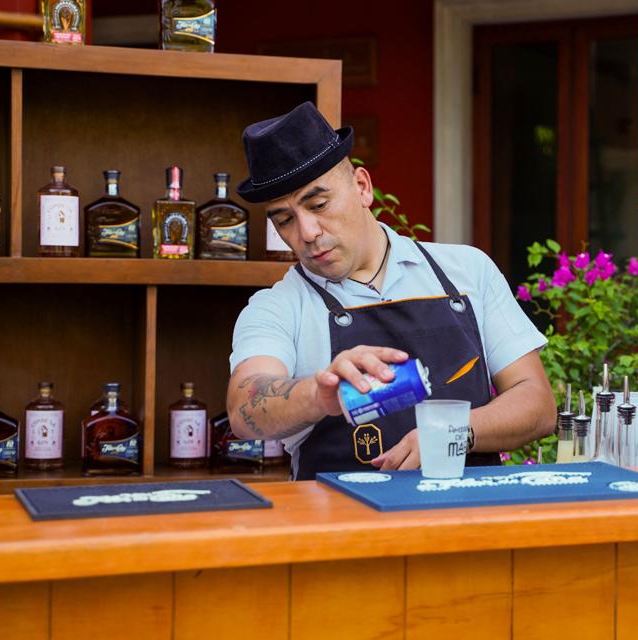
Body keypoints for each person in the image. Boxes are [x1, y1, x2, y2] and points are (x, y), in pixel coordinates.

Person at [227, 101, 555, 480]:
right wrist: (320, 394)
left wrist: (452, 433)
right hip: (346, 528)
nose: (307, 233)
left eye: (319, 204)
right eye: (284, 220)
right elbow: (243, 407)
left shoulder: (467, 270)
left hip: (469, 521)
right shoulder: (276, 307)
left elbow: (537, 402)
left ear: (362, 187)